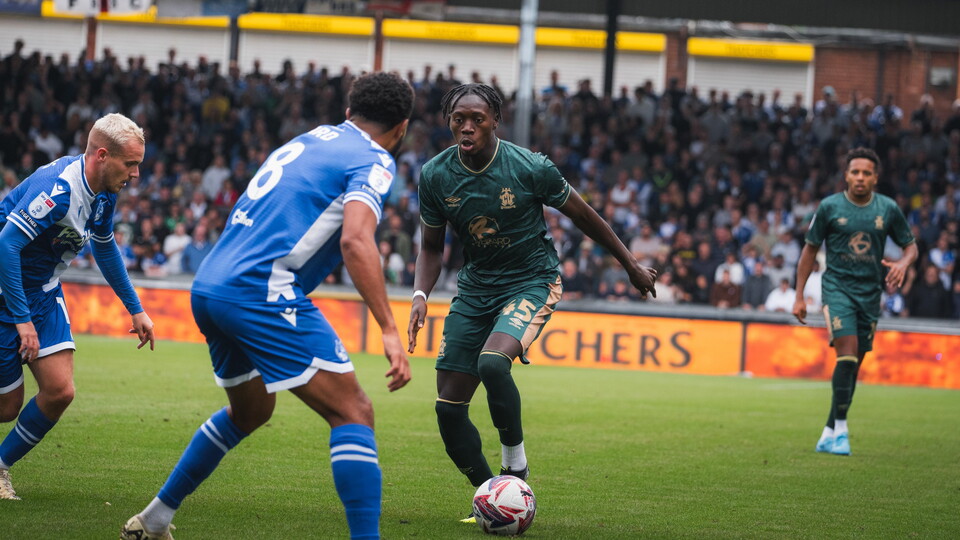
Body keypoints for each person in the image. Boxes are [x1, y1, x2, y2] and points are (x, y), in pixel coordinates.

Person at [121, 72, 414, 540]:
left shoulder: (311, 140)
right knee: (354, 411)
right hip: (260, 288)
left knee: (252, 410)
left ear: (347, 113)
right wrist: (389, 328)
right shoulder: (374, 158)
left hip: (211, 284)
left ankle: (155, 519)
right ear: (401, 128)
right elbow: (357, 241)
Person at [406, 83, 657, 522]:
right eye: (458, 119)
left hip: (531, 281)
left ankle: (514, 464)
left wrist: (631, 264)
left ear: (495, 121)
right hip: (475, 288)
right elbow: (431, 247)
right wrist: (421, 295)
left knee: (492, 364)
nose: (466, 127)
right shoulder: (435, 174)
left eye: (477, 119)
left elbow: (584, 216)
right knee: (447, 410)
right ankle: (493, 499)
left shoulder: (529, 167)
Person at [0, 113, 156, 500]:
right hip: (6, 290)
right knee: (6, 407)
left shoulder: (105, 193)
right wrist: (22, 321)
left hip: (43, 291)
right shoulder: (57, 189)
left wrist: (134, 308)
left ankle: (0, 468)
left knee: (60, 391)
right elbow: (6, 245)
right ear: (102, 155)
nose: (136, 174)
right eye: (131, 164)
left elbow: (104, 246)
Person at [793, 147, 917, 457]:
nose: (860, 178)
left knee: (853, 365)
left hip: (870, 294)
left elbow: (911, 246)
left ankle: (828, 431)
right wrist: (799, 295)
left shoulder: (887, 208)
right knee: (846, 357)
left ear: (876, 177)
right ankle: (843, 431)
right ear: (846, 175)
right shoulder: (830, 207)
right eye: (855, 172)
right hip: (837, 289)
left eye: (866, 173)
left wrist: (903, 263)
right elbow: (809, 250)